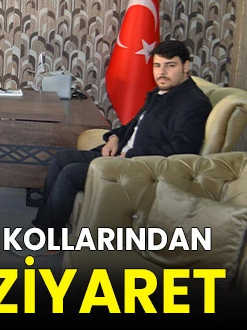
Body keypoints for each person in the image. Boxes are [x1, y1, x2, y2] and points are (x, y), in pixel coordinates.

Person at [13, 40, 212, 257]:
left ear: (185, 66)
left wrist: (130, 154)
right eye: (157, 65)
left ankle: (47, 239)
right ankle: (45, 227)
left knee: (71, 173)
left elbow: (181, 151)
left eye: (170, 66)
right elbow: (133, 126)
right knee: (61, 158)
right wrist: (115, 138)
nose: (162, 72)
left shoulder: (194, 103)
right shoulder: (162, 92)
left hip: (141, 169)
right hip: (122, 155)